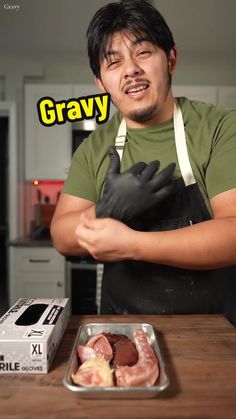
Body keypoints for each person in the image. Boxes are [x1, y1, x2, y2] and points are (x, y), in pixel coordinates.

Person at [51, 0, 236, 322]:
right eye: (113, 62)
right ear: (101, 82)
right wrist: (106, 209)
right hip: (121, 333)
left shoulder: (219, 128)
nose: (130, 69)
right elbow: (62, 236)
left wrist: (132, 244)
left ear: (171, 59)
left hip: (214, 334)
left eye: (143, 52)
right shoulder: (95, 148)